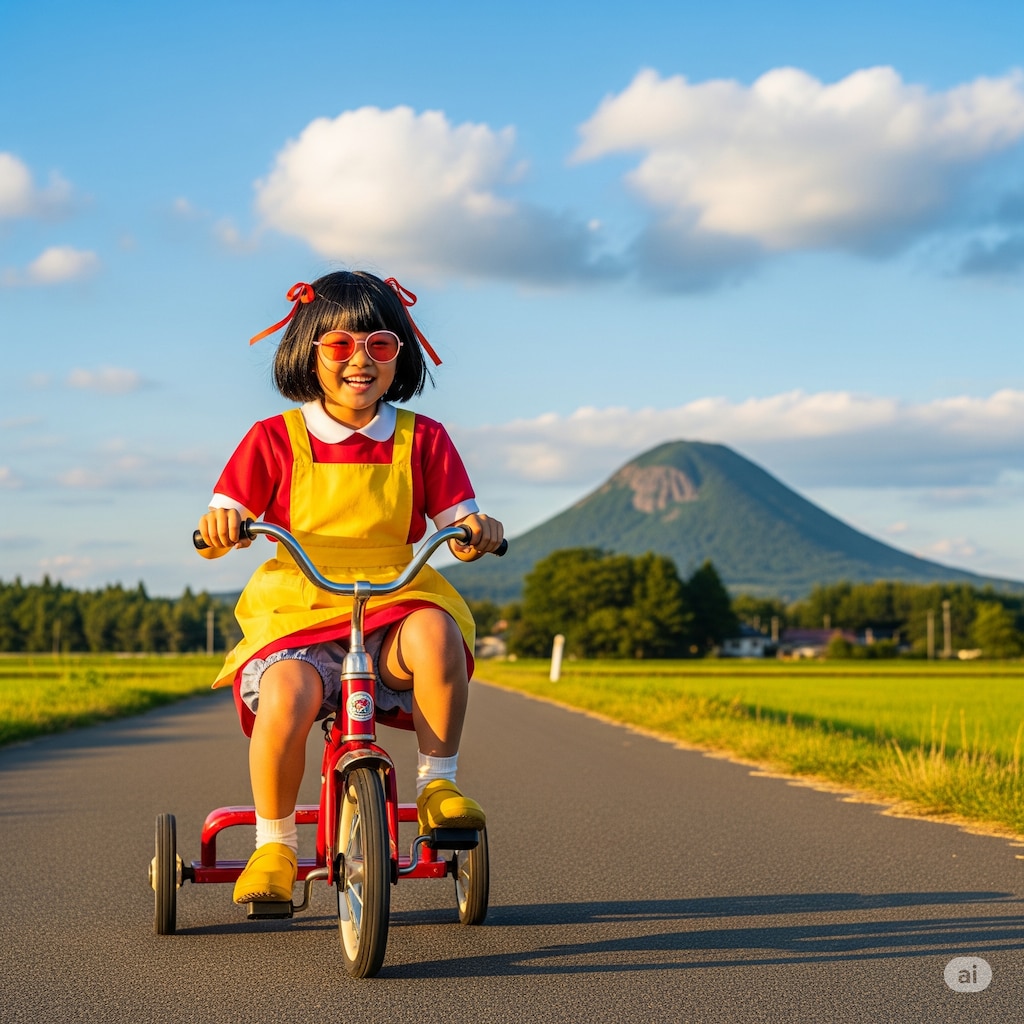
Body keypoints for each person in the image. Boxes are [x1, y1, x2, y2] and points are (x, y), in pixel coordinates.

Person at [196, 270, 504, 905]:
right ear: (308, 351)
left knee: (437, 632)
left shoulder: (424, 438)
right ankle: (274, 845)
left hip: (393, 600)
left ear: (400, 355)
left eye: (380, 346)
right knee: (286, 691)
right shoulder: (274, 439)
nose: (360, 361)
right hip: (299, 610)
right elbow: (224, 516)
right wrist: (221, 526)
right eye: (339, 346)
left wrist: (477, 530)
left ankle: (438, 783)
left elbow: (459, 525)